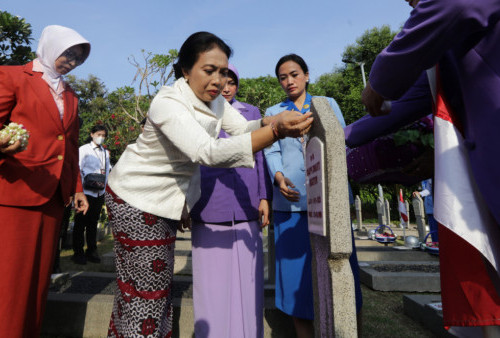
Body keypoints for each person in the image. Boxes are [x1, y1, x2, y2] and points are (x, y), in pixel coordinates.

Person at [105, 32, 313, 337]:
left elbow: (242, 128)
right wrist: (277, 132)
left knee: (150, 290)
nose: (218, 80)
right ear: (186, 70)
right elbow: (208, 152)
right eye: (209, 70)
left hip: (162, 203)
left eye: (223, 71)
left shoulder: (213, 101)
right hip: (137, 200)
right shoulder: (169, 102)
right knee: (146, 294)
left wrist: (273, 120)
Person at [361, 0, 500, 335]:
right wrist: (334, 136)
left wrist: (378, 78)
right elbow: (402, 104)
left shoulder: (450, 14)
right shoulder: (443, 48)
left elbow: (452, 4)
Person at [0, 25, 90, 337]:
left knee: (38, 281)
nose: (73, 62)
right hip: (16, 191)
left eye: (78, 58)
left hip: (53, 197)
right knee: (10, 279)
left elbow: (71, 145)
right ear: (52, 47)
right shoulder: (11, 77)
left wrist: (77, 187)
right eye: (69, 53)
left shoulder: (71, 95)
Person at [264, 54, 362, 338]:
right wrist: (279, 177)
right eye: (283, 77)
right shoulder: (275, 111)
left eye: (294, 74)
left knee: (342, 276)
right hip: (290, 206)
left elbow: (340, 143)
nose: (289, 81)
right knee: (296, 283)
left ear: (306, 75)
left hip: (329, 206)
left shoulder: (326, 104)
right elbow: (271, 151)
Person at [189, 64, 272, 338]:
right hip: (209, 202)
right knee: (211, 284)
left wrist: (263, 196)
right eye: (222, 81)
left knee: (248, 282)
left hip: (246, 201)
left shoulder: (251, 113)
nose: (226, 87)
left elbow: (259, 158)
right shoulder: (196, 111)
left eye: (232, 82)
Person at [72, 124, 111, 264]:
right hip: (85, 191)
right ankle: (78, 252)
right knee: (80, 222)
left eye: (103, 135)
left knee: (93, 223)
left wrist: (105, 190)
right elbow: (77, 168)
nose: (101, 137)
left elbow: (107, 171)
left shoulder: (105, 152)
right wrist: (79, 190)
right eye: (99, 134)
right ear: (92, 134)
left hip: (99, 192)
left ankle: (92, 250)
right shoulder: (83, 150)